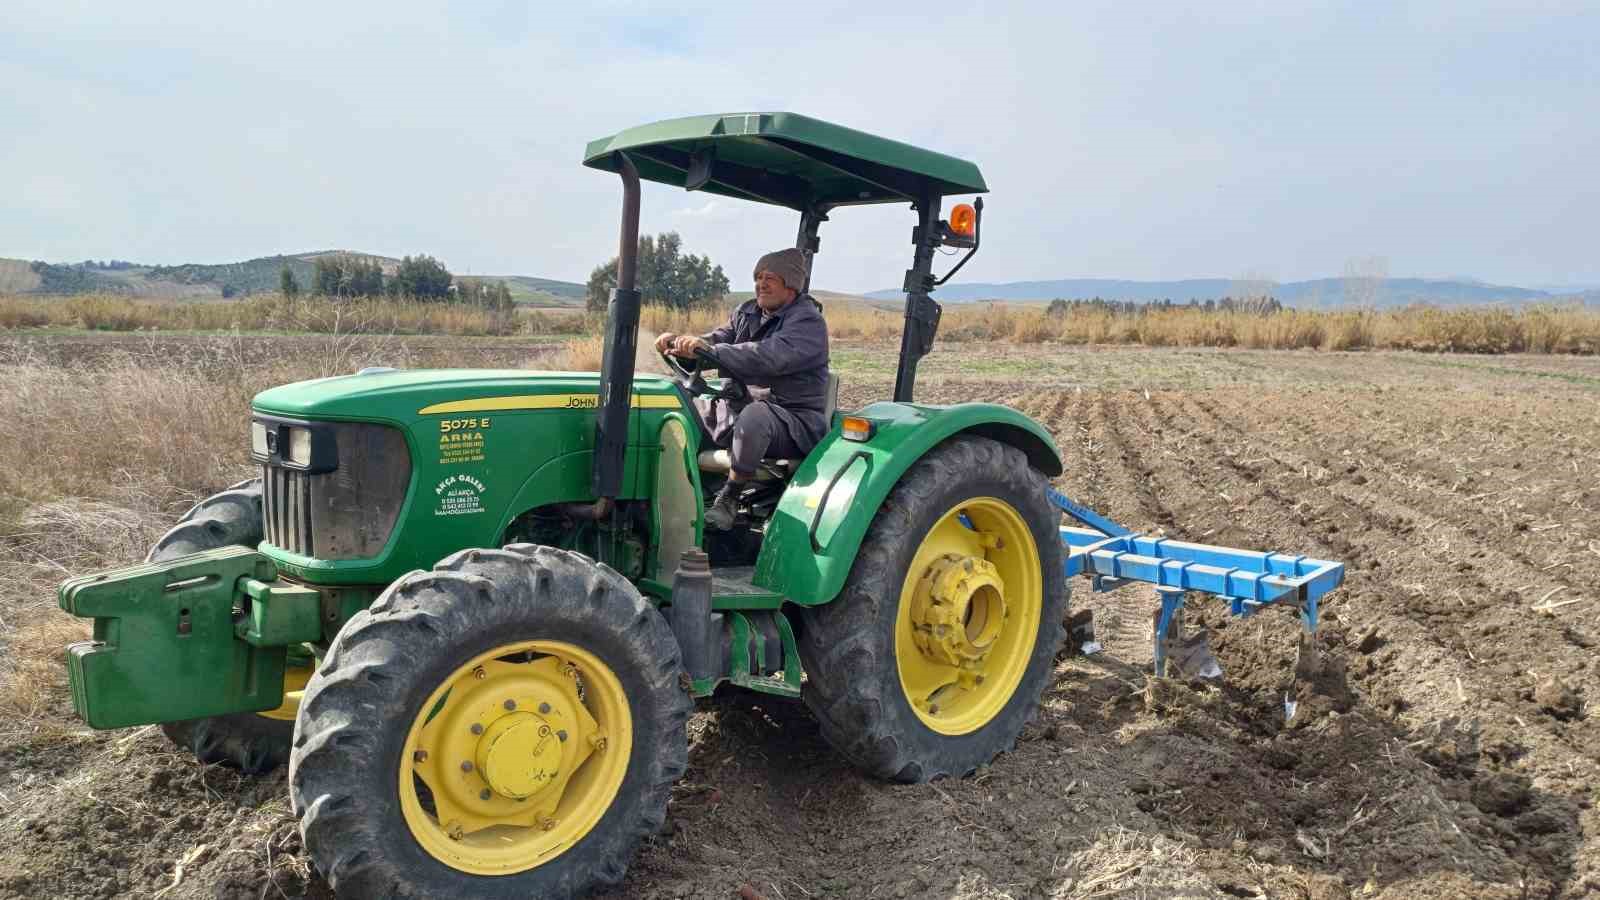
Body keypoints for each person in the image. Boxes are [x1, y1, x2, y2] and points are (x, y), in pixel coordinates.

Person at [654, 247, 830, 530]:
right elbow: (719, 338)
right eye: (758, 277)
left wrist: (711, 349)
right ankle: (681, 490)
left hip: (792, 421)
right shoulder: (747, 312)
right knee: (675, 398)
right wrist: (683, 344)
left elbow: (768, 355)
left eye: (769, 277)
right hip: (738, 409)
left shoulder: (808, 323)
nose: (761, 284)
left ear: (791, 284)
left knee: (756, 415)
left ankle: (730, 497)